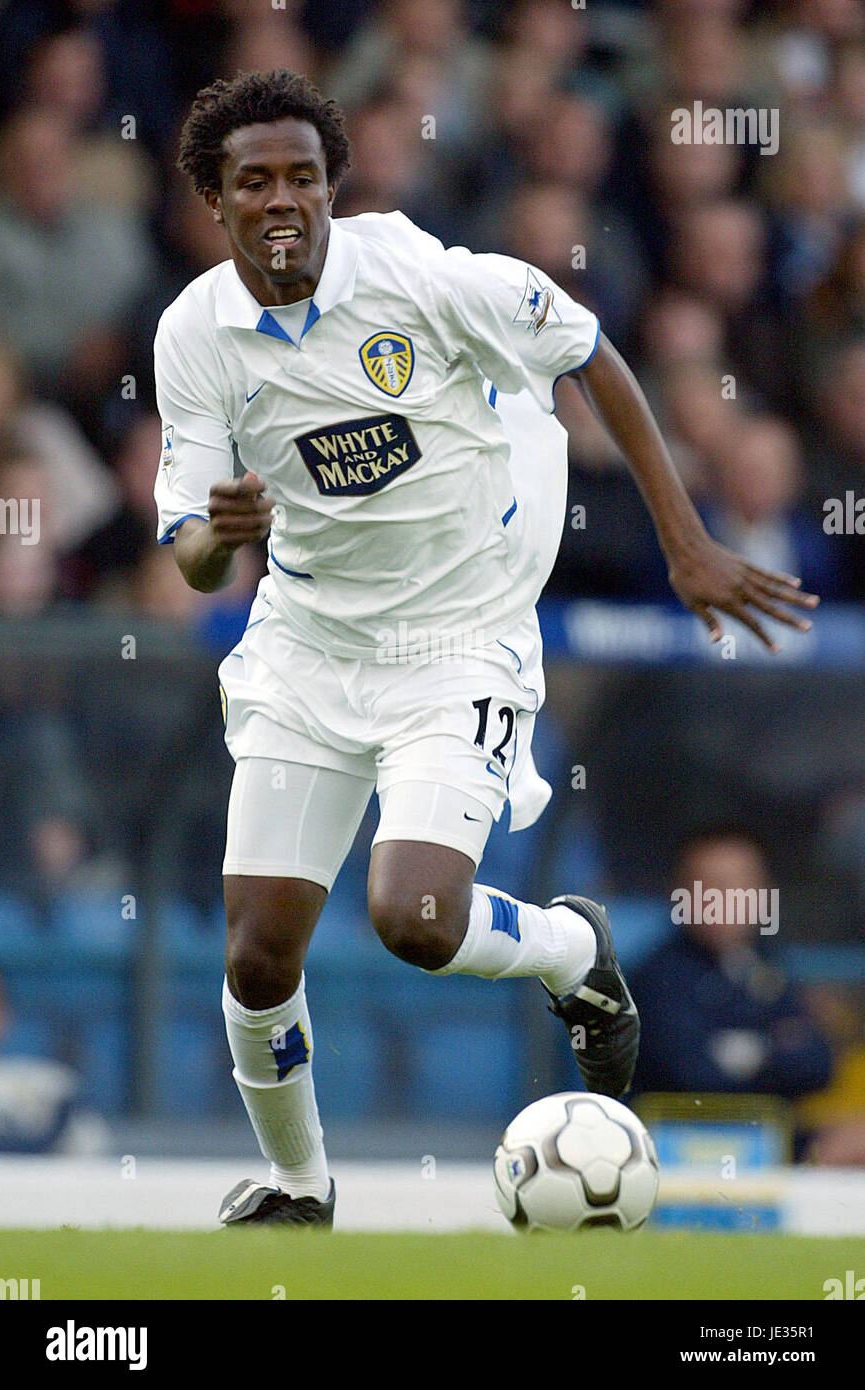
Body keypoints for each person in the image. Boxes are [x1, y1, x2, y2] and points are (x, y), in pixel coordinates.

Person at [154, 70, 818, 1228]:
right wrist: (224, 535)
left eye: (302, 177)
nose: (281, 200)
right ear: (213, 198)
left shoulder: (419, 274)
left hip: (460, 632)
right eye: (251, 179)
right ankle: (299, 1188)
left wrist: (686, 543)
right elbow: (192, 558)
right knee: (258, 958)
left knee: (412, 918)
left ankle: (569, 948)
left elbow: (590, 354)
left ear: (329, 189)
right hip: (308, 640)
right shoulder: (193, 334)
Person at [630, 828, 834, 1108]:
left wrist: (746, 1055)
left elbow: (815, 1066)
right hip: (683, 1139)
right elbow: (692, 1076)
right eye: (711, 887)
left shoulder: (768, 964)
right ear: (679, 894)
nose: (727, 901)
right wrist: (773, 1049)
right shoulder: (657, 979)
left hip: (769, 1134)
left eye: (742, 886)